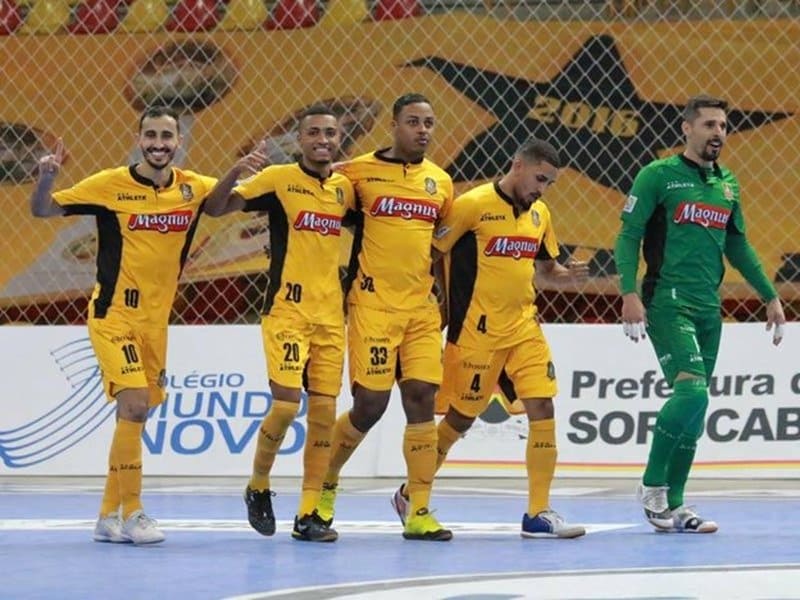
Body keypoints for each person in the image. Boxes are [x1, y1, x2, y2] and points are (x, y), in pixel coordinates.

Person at [30, 106, 220, 545]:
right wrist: (45, 177)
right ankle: (134, 513)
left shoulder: (193, 187)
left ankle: (104, 517)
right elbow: (43, 212)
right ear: (139, 140)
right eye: (150, 135)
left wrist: (246, 172)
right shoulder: (108, 184)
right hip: (113, 315)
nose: (158, 143)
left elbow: (234, 200)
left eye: (166, 136)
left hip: (157, 323)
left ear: (178, 142)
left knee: (134, 414)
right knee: (134, 402)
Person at [391, 137, 589, 539]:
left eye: (549, 183)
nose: (542, 189)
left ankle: (538, 513)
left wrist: (566, 275)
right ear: (517, 165)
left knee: (543, 407)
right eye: (539, 179)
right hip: (476, 334)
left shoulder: (539, 214)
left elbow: (546, 270)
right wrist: (423, 303)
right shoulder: (472, 205)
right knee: (459, 420)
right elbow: (429, 252)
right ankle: (410, 492)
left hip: (523, 328)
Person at [614, 94, 786, 533]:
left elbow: (738, 244)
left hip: (710, 307)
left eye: (724, 126)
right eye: (709, 124)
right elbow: (629, 235)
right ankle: (652, 485)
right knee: (693, 394)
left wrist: (769, 294)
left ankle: (676, 504)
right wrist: (629, 292)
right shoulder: (658, 176)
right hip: (668, 300)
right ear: (686, 129)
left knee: (695, 410)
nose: (718, 133)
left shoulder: (727, 183)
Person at [204, 105, 355, 542]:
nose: (322, 139)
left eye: (330, 132)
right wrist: (236, 170)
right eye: (313, 132)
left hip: (331, 316)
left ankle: (308, 514)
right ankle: (258, 484)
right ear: (300, 138)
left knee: (325, 414)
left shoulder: (344, 189)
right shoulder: (278, 179)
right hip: (287, 311)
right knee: (287, 405)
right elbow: (216, 209)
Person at [315, 93, 454, 541]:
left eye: (429, 122)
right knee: (370, 406)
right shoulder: (355, 174)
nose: (423, 130)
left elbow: (440, 248)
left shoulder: (441, 182)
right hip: (373, 305)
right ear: (393, 126)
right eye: (413, 121)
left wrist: (446, 300)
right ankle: (324, 482)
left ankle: (418, 509)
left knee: (421, 400)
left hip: (420, 309)